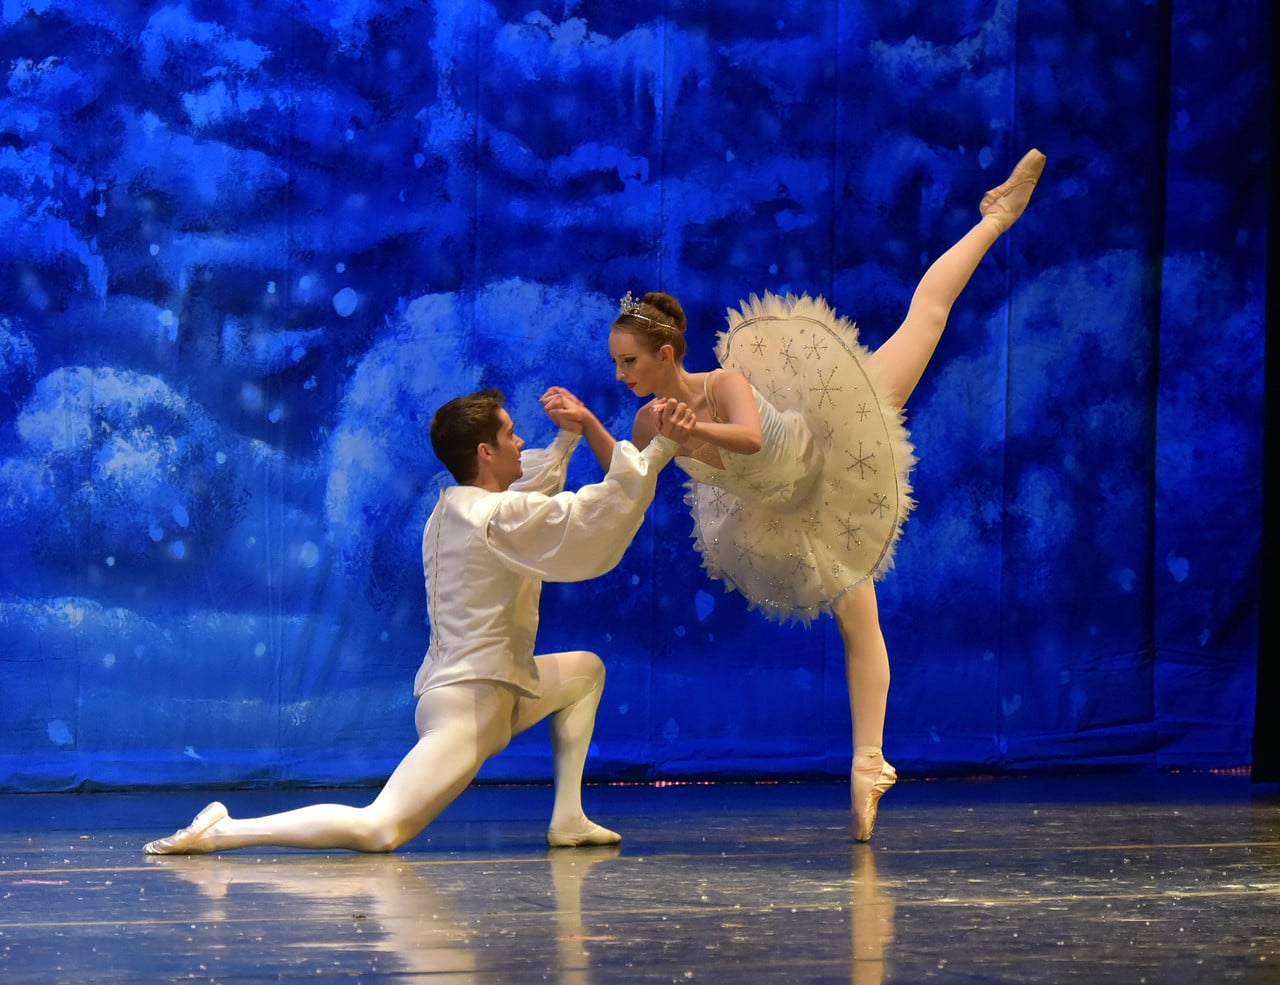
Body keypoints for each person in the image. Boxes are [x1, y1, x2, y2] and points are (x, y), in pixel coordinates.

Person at [552, 148, 1047, 842]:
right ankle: (868, 763)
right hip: (793, 510)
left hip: (832, 443)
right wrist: (590, 425)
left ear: (666, 355)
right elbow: (626, 474)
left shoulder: (720, 384)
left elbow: (750, 438)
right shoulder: (647, 419)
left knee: (925, 319)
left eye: (630, 361)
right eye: (615, 363)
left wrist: (701, 427)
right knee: (857, 625)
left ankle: (997, 217)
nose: (622, 372)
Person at [143, 386, 696, 855]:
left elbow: (527, 495)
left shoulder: (453, 507)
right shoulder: (494, 516)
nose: (521, 443)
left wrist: (568, 438)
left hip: (489, 690)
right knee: (381, 827)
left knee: (584, 672)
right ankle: (225, 831)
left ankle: (568, 817)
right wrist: (659, 448)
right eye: (510, 436)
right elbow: (585, 515)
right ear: (485, 451)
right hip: (473, 703)